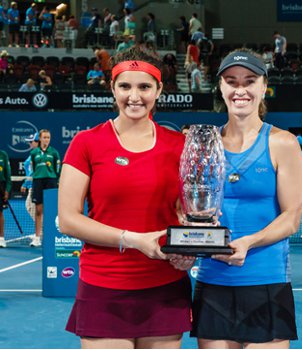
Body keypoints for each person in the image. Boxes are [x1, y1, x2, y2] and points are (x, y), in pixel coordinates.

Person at [58, 44, 194, 348]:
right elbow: (67, 220)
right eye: (125, 86)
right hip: (104, 285)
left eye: (144, 86)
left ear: (159, 89)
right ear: (112, 88)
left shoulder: (180, 145)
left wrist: (189, 250)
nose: (135, 96)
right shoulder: (86, 143)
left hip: (165, 285)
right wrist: (133, 239)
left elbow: (189, 215)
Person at [190, 49, 302, 348]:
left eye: (249, 81)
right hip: (212, 279)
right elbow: (190, 209)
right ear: (221, 87)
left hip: (267, 280)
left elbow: (292, 218)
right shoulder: (204, 144)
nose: (240, 90)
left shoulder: (283, 142)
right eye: (231, 81)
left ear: (263, 86)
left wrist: (249, 242)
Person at [29, 129, 60, 247]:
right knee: (38, 210)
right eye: (44, 137)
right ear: (40, 139)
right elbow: (33, 168)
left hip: (51, 181)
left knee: (51, 210)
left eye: (48, 137)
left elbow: (58, 169)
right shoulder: (34, 153)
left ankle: (51, 236)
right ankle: (37, 238)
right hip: (38, 181)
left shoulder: (54, 153)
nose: (46, 140)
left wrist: (56, 180)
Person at [21, 133, 40, 224]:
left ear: (37, 142)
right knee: (29, 206)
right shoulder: (33, 154)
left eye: (31, 142)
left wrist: (25, 183)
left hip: (36, 186)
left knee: (32, 208)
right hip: (31, 186)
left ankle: (41, 231)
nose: (30, 144)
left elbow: (34, 171)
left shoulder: (39, 155)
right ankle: (41, 230)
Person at [0, 148, 11, 248]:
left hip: (0, 186)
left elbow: (8, 174)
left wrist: (7, 190)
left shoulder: (3, 154)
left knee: (0, 213)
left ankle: (1, 238)